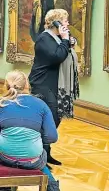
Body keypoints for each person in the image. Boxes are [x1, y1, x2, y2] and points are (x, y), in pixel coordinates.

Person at [0, 70, 67, 191]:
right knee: (40, 161)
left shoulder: (2, 104)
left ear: (6, 86)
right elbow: (52, 137)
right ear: (27, 86)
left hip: (4, 157)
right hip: (32, 160)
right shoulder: (41, 105)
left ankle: (3, 184)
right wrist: (33, 138)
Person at [28, 9, 80, 167]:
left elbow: (64, 52)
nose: (68, 23)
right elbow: (57, 57)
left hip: (54, 83)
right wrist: (65, 40)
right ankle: (38, 154)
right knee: (51, 117)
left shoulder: (56, 38)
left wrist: (67, 40)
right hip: (42, 83)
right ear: (56, 23)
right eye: (65, 20)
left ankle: (46, 153)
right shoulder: (44, 39)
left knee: (53, 117)